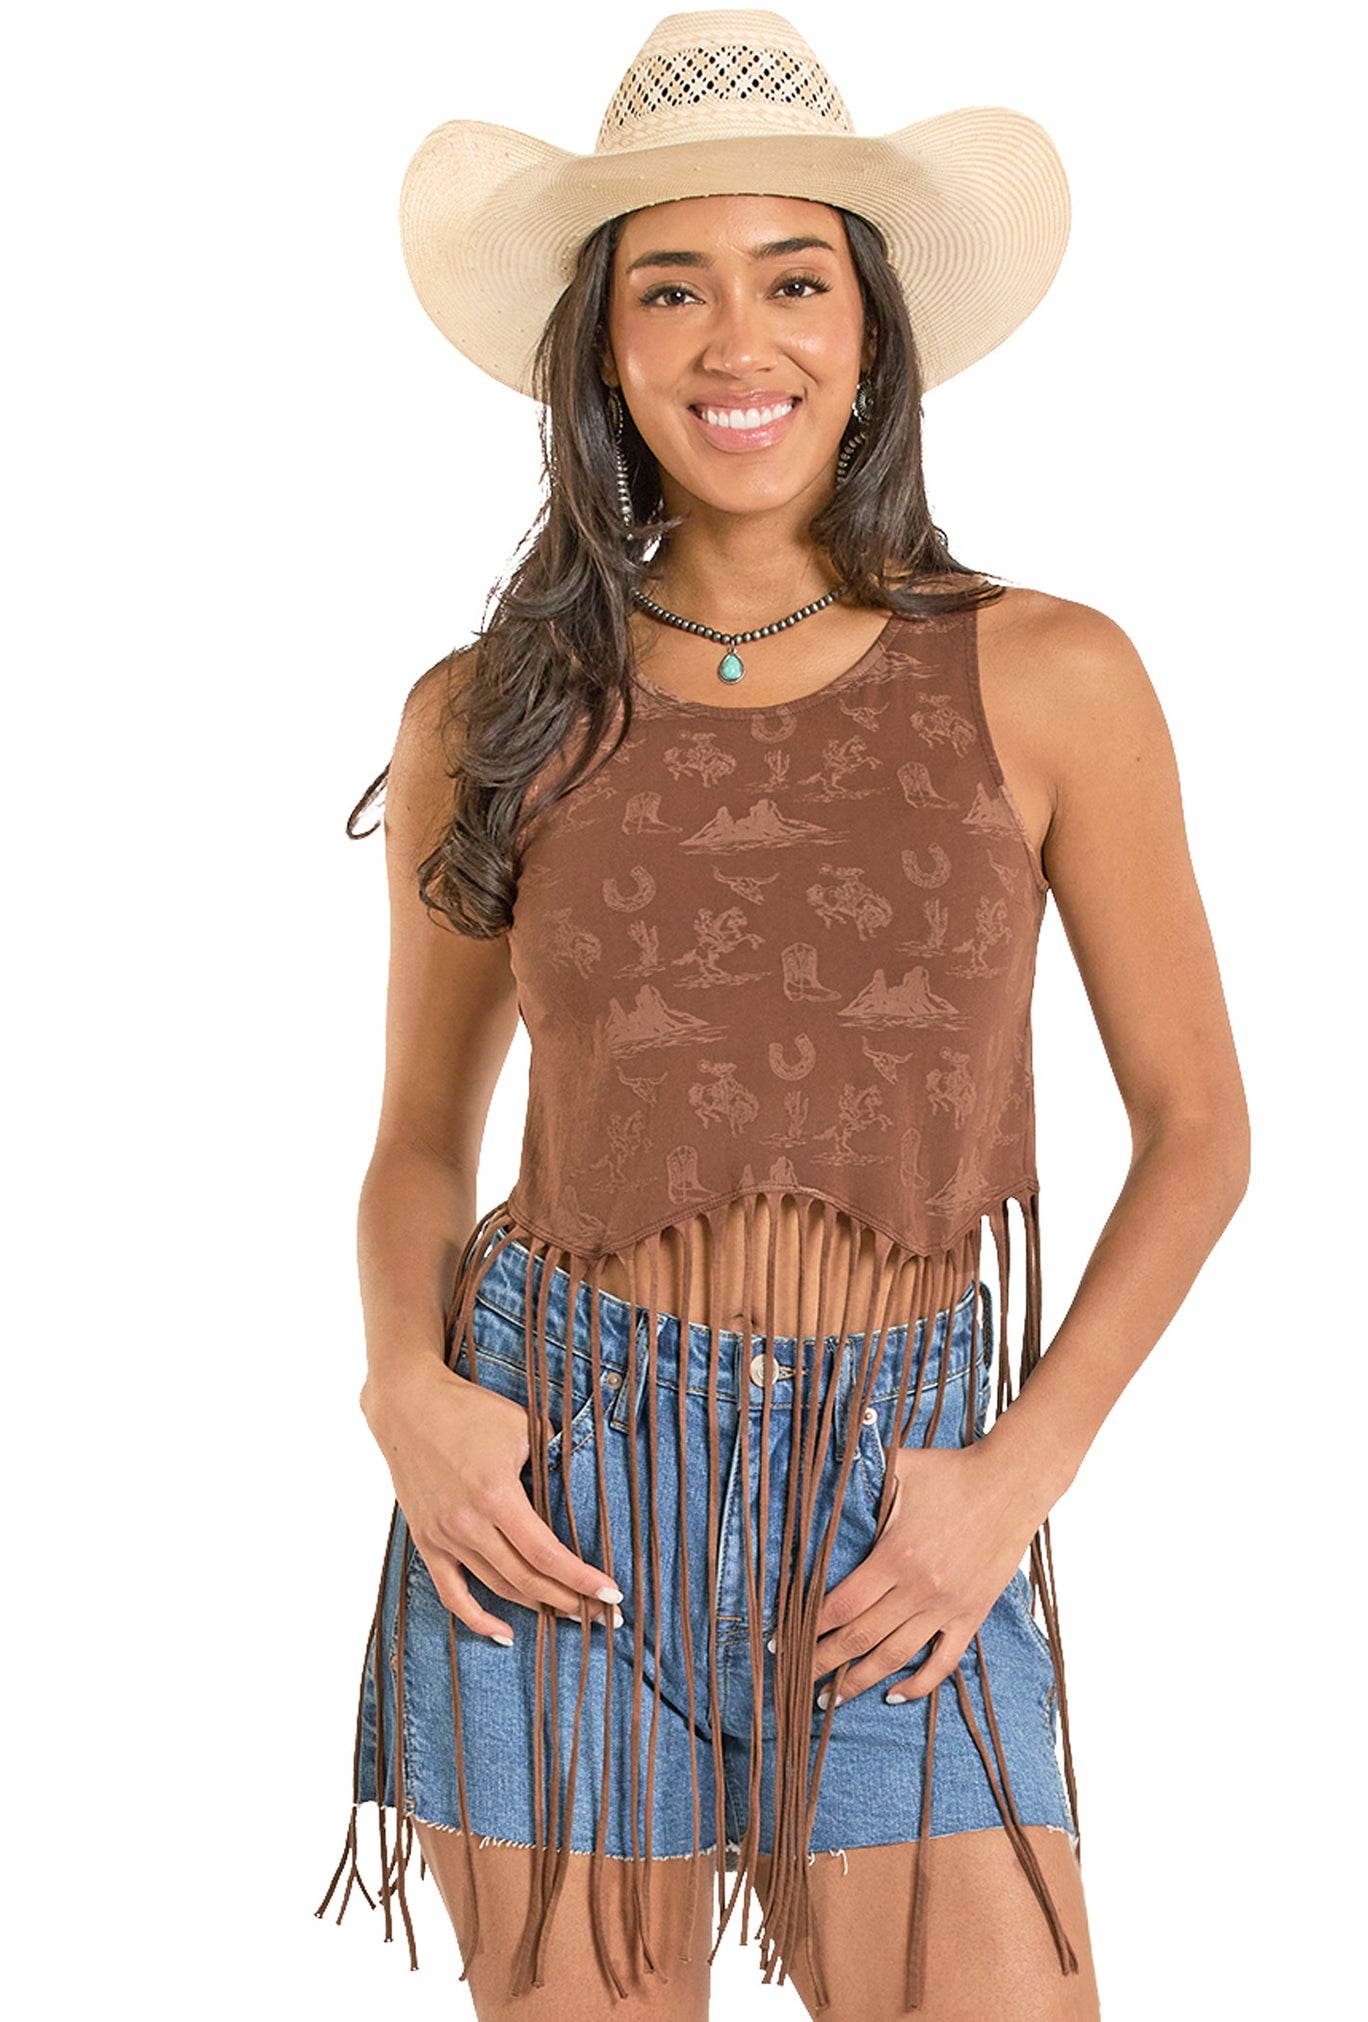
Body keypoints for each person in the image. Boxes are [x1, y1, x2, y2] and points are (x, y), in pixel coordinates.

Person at [315, 12, 1250, 2018]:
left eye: (792, 280)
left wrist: (1020, 1470)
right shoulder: (489, 711)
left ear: (872, 326)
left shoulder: (1051, 674)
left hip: (902, 1490)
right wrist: (405, 1382)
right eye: (674, 288)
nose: (740, 347)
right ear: (605, 344)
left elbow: (1200, 1129)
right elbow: (417, 1136)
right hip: (552, 1487)